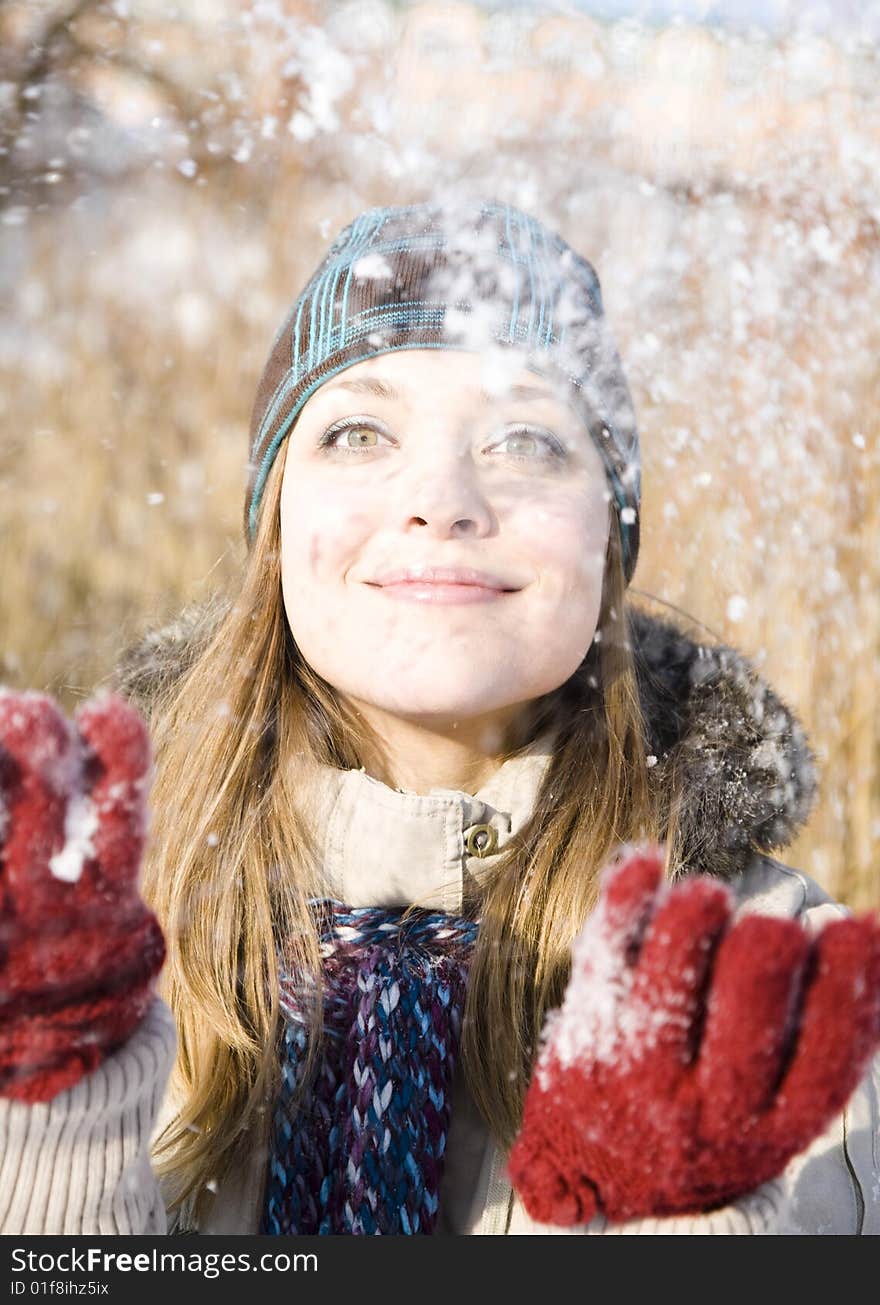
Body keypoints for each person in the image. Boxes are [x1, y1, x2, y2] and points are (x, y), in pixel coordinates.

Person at [0, 198, 878, 1236]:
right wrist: (53, 1123)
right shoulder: (72, 934)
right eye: (359, 431)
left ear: (608, 534)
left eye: (525, 441)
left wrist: (670, 1226)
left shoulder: (775, 993)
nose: (442, 498)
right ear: (277, 522)